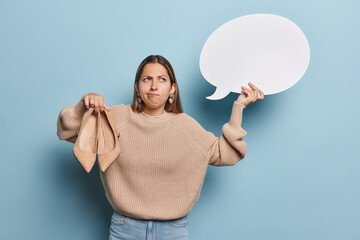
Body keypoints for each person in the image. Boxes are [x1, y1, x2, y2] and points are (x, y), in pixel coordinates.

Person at [57, 55, 264, 240]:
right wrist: (82, 105)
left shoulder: (185, 126)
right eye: (147, 79)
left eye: (162, 80)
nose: (154, 86)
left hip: (173, 231)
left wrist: (238, 108)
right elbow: (67, 131)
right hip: (125, 229)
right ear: (137, 87)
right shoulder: (115, 118)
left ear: (172, 88)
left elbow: (225, 154)